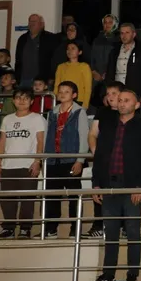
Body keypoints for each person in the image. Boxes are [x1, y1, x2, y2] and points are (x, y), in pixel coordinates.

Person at [88, 90, 141, 281]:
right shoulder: (108, 127)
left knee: (133, 231)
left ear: (137, 105)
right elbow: (99, 158)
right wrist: (96, 184)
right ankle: (107, 275)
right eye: (119, 100)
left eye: (126, 100)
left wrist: (140, 187)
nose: (122, 103)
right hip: (109, 186)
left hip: (132, 187)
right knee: (110, 232)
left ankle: (132, 276)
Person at [42, 81, 89, 238]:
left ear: (74, 95)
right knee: (51, 196)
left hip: (70, 160)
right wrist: (44, 158)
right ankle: (50, 228)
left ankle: (75, 229)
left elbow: (84, 137)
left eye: (66, 92)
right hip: (52, 160)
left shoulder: (79, 112)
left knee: (73, 196)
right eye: (60, 91)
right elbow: (47, 136)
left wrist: (80, 160)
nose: (62, 94)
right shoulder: (52, 113)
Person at [0, 88, 45, 239]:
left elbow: (40, 141)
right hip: (8, 165)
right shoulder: (7, 119)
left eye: (25, 98)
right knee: (7, 199)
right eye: (18, 97)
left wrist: (37, 161)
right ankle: (9, 228)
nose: (22, 101)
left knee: (27, 199)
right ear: (13, 100)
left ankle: (25, 228)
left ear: (31, 101)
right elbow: (2, 141)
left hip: (27, 165)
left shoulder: (37, 118)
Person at [85, 81, 125, 239]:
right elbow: (92, 133)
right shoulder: (102, 111)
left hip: (120, 161)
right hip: (103, 160)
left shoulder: (127, 112)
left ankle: (123, 226)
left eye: (114, 93)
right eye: (108, 94)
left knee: (120, 194)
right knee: (99, 191)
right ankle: (98, 226)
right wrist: (95, 150)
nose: (110, 97)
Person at [104, 23, 141, 113]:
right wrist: (106, 93)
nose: (124, 36)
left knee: (134, 118)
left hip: (135, 92)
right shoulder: (114, 50)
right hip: (117, 93)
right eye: (122, 33)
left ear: (134, 34)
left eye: (127, 32)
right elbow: (109, 72)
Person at [14, 14, 60, 86]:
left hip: (43, 81)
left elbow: (55, 60)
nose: (31, 24)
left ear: (42, 24)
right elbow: (18, 60)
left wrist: (52, 77)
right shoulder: (22, 39)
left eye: (34, 21)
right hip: (23, 80)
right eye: (30, 21)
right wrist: (17, 77)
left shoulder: (51, 38)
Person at [54, 42, 92, 108]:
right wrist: (55, 100)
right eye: (68, 49)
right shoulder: (61, 67)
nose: (70, 51)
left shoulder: (84, 66)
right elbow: (56, 85)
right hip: (62, 100)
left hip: (78, 100)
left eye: (73, 48)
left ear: (80, 52)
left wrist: (85, 105)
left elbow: (88, 88)